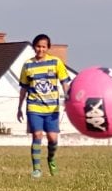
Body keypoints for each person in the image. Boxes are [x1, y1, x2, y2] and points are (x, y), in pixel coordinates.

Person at [16, 34, 72, 178]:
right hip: (34, 107)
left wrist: (67, 97)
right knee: (37, 135)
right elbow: (23, 88)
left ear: (48, 48)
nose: (40, 49)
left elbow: (64, 82)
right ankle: (37, 168)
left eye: (43, 47)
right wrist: (19, 107)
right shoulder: (28, 65)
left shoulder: (55, 62)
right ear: (34, 47)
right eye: (38, 46)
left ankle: (51, 159)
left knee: (53, 139)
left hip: (52, 108)